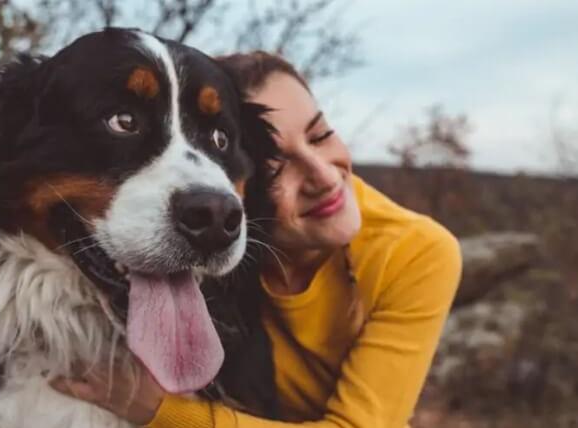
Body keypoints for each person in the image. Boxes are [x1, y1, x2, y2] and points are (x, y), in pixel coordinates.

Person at [52, 51, 462, 428]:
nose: (323, 175)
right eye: (276, 165)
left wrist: (158, 410)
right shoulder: (195, 247)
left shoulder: (417, 250)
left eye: (320, 135)